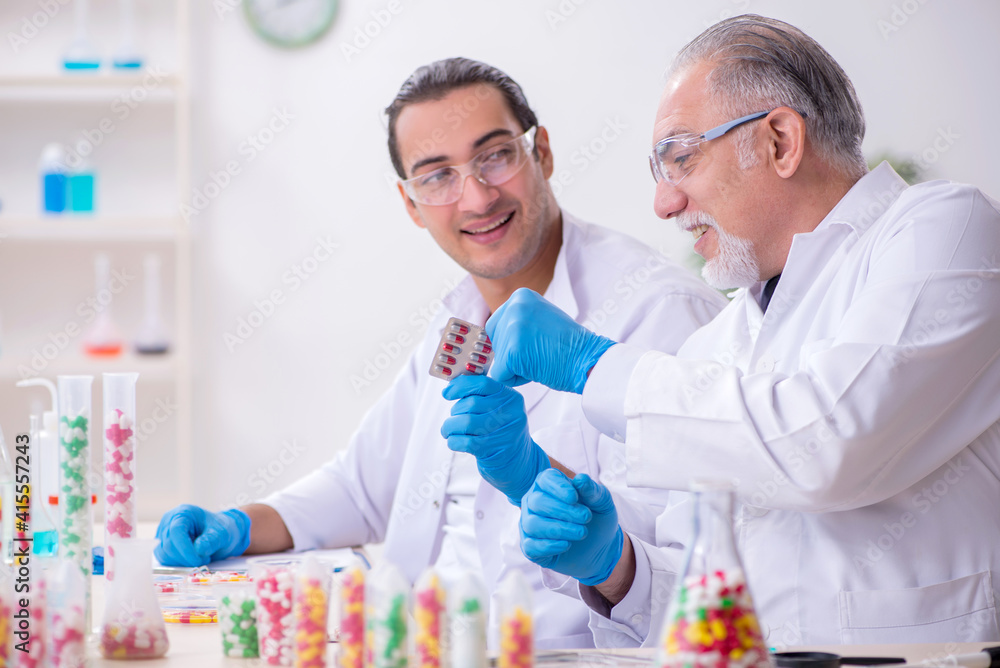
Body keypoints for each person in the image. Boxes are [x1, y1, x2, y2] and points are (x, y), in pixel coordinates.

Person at [153, 57, 727, 648]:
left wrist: (541, 483)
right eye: (436, 176)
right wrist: (240, 524)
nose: (476, 197)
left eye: (496, 156)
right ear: (410, 204)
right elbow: (359, 489)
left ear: (543, 153)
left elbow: (693, 568)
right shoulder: (457, 320)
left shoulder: (661, 312)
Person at [471, 15, 1000, 646]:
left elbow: (828, 443)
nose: (664, 204)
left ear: (779, 140)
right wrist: (615, 566)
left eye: (682, 159)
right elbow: (706, 609)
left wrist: (593, 365)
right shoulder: (719, 343)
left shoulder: (945, 230)